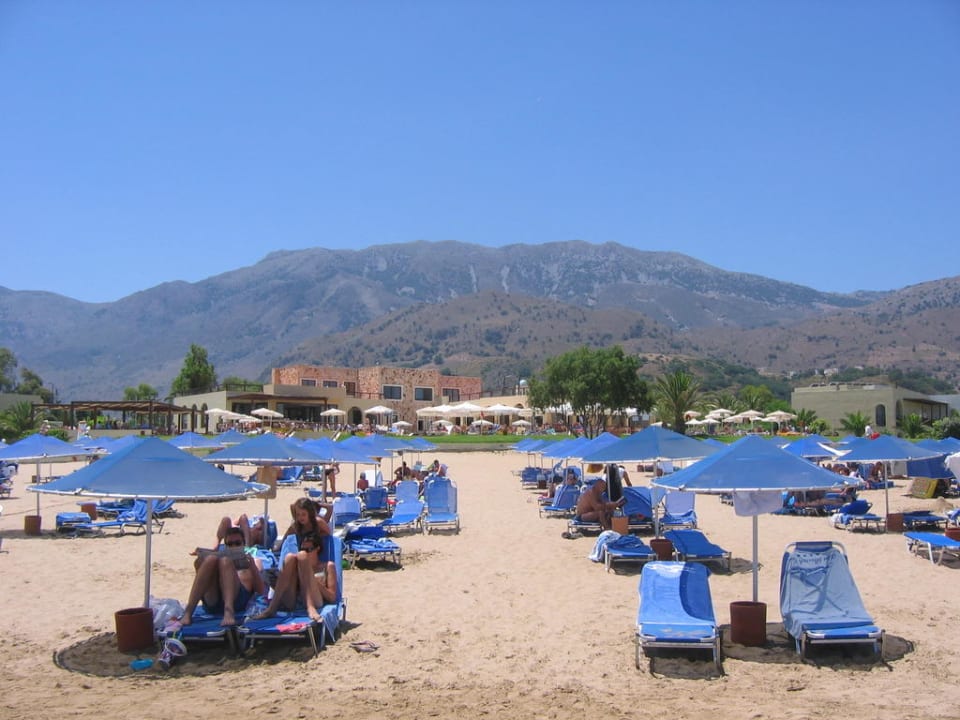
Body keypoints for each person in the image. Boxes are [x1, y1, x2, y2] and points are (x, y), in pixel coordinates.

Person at [181, 526, 266, 627]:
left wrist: (251, 565)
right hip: (214, 599)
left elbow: (261, 591)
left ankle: (228, 613)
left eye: (237, 543)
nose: (233, 546)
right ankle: (188, 612)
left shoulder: (255, 560)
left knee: (225, 561)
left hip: (238, 601)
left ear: (244, 544)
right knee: (211, 559)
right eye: (230, 544)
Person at [251, 532, 338, 623]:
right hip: (294, 601)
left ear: (317, 548)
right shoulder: (298, 564)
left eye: (309, 549)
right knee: (290, 557)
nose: (305, 552)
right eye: (302, 549)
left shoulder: (327, 566)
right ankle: (272, 608)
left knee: (302, 556)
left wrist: (313, 580)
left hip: (316, 600)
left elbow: (332, 597)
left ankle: (310, 606)